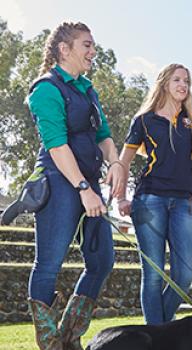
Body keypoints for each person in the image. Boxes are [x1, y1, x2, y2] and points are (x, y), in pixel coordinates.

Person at [26, 22, 124, 350]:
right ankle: (52, 343)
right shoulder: (45, 89)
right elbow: (56, 144)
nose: (93, 52)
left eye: (93, 45)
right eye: (86, 45)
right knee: (49, 264)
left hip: (89, 184)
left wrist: (115, 162)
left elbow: (103, 135)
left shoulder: (87, 88)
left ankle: (69, 335)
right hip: (59, 182)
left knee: (102, 261)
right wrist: (83, 188)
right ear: (64, 49)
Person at [117, 64, 192, 325]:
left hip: (184, 203)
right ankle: (158, 338)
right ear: (164, 83)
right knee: (154, 274)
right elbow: (123, 162)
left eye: (187, 81)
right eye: (177, 79)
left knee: (185, 275)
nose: (183, 85)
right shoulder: (144, 120)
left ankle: (157, 333)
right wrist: (121, 198)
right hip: (149, 200)